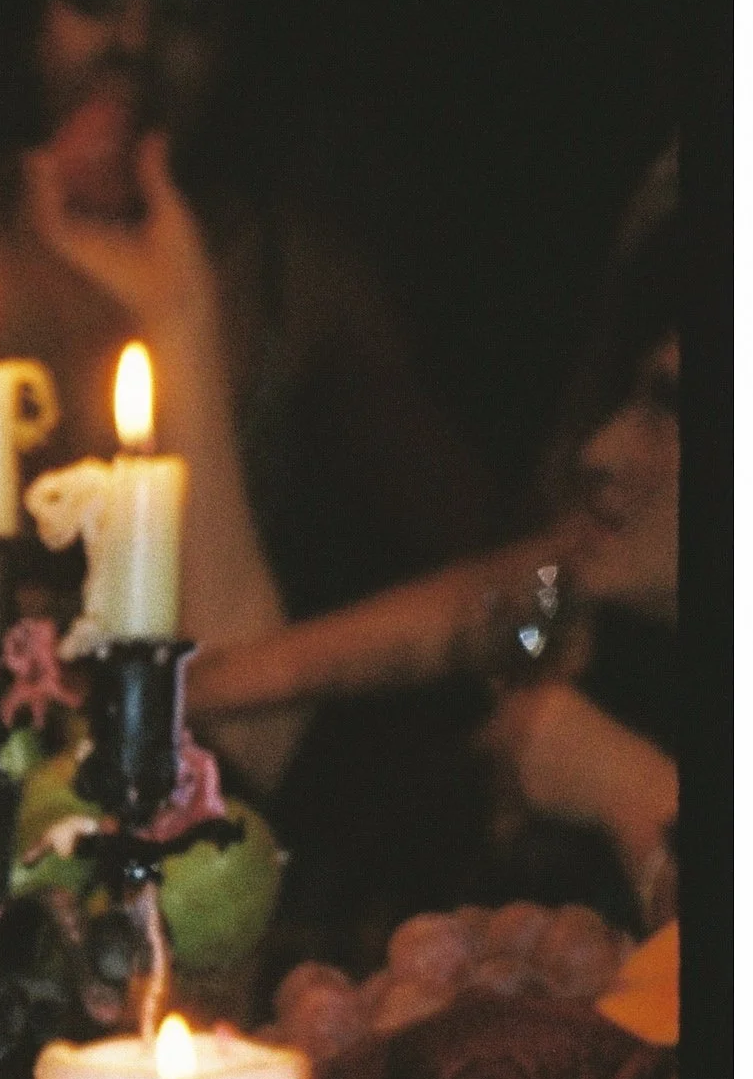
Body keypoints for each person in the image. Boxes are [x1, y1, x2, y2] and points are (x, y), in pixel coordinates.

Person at [0, 0, 501, 778]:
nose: (132, 44)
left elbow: (474, 542)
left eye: (183, 12)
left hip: (193, 749)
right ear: (32, 24)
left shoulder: (292, 274)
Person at [189, 169, 679, 930]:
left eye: (671, 410)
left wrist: (630, 790)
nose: (599, 450)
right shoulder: (576, 587)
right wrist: (176, 689)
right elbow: (500, 598)